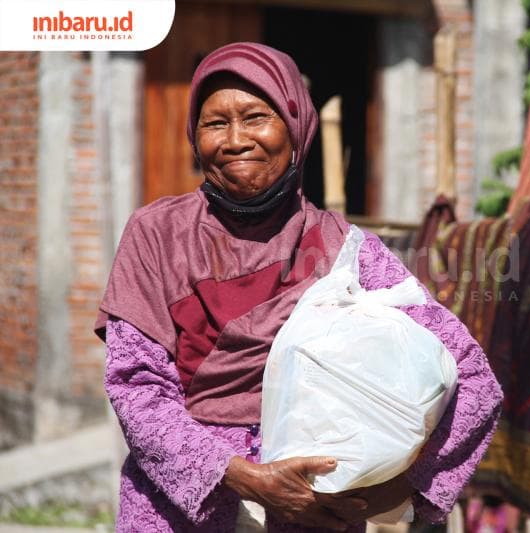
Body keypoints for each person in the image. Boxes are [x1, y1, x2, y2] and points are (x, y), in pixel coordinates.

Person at [97, 42, 503, 532]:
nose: (235, 139)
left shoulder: (345, 251)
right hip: (181, 513)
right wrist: (246, 478)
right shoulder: (157, 234)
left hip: (315, 514)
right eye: (214, 123)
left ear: (296, 130)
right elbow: (136, 386)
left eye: (255, 117)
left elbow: (473, 379)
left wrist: (387, 492)